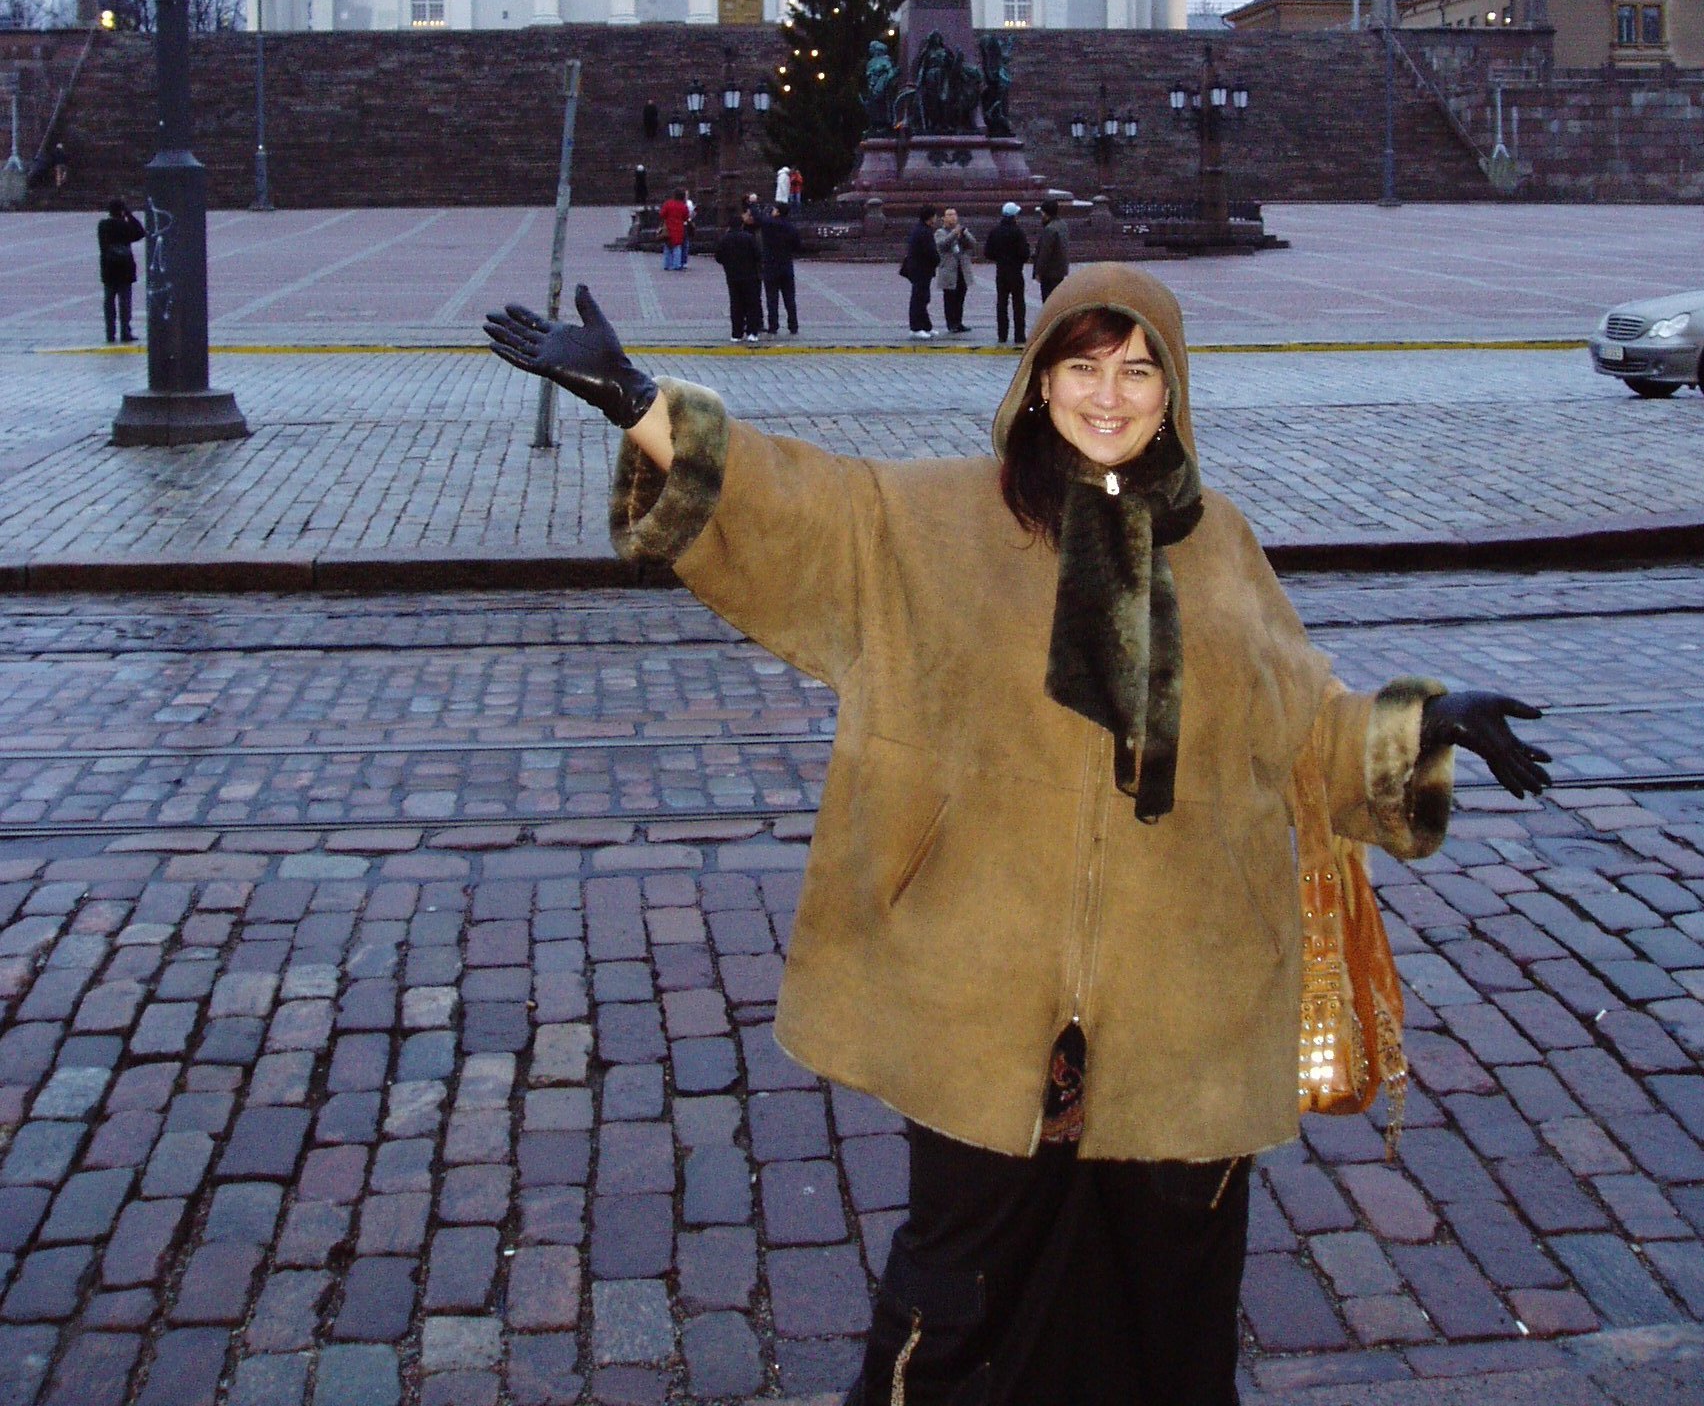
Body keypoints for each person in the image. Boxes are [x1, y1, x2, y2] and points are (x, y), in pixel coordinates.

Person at [484, 269, 1550, 1406]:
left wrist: (1420, 724)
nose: (1110, 395)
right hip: (988, 1004)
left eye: (1137, 370)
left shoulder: (1219, 542)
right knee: (950, 1307)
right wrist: (638, 400)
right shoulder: (936, 519)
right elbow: (789, 506)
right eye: (1083, 366)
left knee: (1175, 1317)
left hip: (1185, 1009)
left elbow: (1300, 732)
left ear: (1173, 391)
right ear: (1040, 381)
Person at [97, 198, 145, 344]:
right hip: (125, 269)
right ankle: (125, 332)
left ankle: (110, 333)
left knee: (109, 302)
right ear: (122, 211)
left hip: (108, 268)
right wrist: (129, 215)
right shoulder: (125, 226)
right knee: (125, 303)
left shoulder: (103, 225)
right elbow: (140, 232)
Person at [714, 204, 764, 344]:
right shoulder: (748, 238)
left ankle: (736, 333)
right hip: (750, 275)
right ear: (741, 225)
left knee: (736, 305)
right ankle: (752, 332)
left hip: (733, 276)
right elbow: (758, 255)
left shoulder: (724, 239)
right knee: (752, 304)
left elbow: (718, 257)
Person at [984, 201, 1031, 345]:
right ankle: (1019, 335)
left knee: (1002, 303)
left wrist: (1000, 258)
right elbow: (1025, 253)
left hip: (1001, 271)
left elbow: (987, 252)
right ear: (1014, 216)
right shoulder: (1018, 232)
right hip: (1016, 271)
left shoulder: (995, 231)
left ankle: (1002, 335)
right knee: (1018, 304)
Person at [760, 202, 801, 338]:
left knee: (772, 299)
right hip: (786, 265)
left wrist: (752, 203)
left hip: (770, 265)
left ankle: (773, 326)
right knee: (789, 298)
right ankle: (793, 325)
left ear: (777, 212)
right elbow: (798, 246)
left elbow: (758, 218)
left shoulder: (768, 224)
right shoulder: (791, 227)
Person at [934, 207, 975, 337]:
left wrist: (963, 234)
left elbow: (972, 243)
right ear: (944, 218)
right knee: (950, 299)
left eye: (954, 214)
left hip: (962, 269)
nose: (953, 217)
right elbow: (942, 244)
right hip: (949, 270)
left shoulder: (962, 231)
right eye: (949, 215)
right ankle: (951, 324)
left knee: (960, 298)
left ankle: (959, 322)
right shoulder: (940, 232)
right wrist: (953, 234)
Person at [900, 206, 939, 339]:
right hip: (921, 270)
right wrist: (937, 260)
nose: (936, 218)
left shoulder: (921, 229)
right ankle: (916, 328)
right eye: (935, 216)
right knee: (919, 298)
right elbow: (930, 252)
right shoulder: (924, 232)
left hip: (920, 269)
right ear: (930, 217)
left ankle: (926, 326)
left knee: (923, 297)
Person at [1034, 198, 1072, 302]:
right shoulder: (1062, 224)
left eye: (1042, 213)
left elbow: (1045, 252)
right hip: (1060, 269)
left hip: (1050, 272)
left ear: (1046, 213)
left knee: (1048, 300)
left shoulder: (1049, 229)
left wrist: (1038, 271)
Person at [658, 189, 690, 273]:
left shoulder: (668, 204)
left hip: (668, 227)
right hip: (679, 228)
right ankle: (677, 265)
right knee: (677, 246)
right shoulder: (683, 206)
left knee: (667, 246)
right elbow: (686, 217)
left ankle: (667, 265)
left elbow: (662, 214)